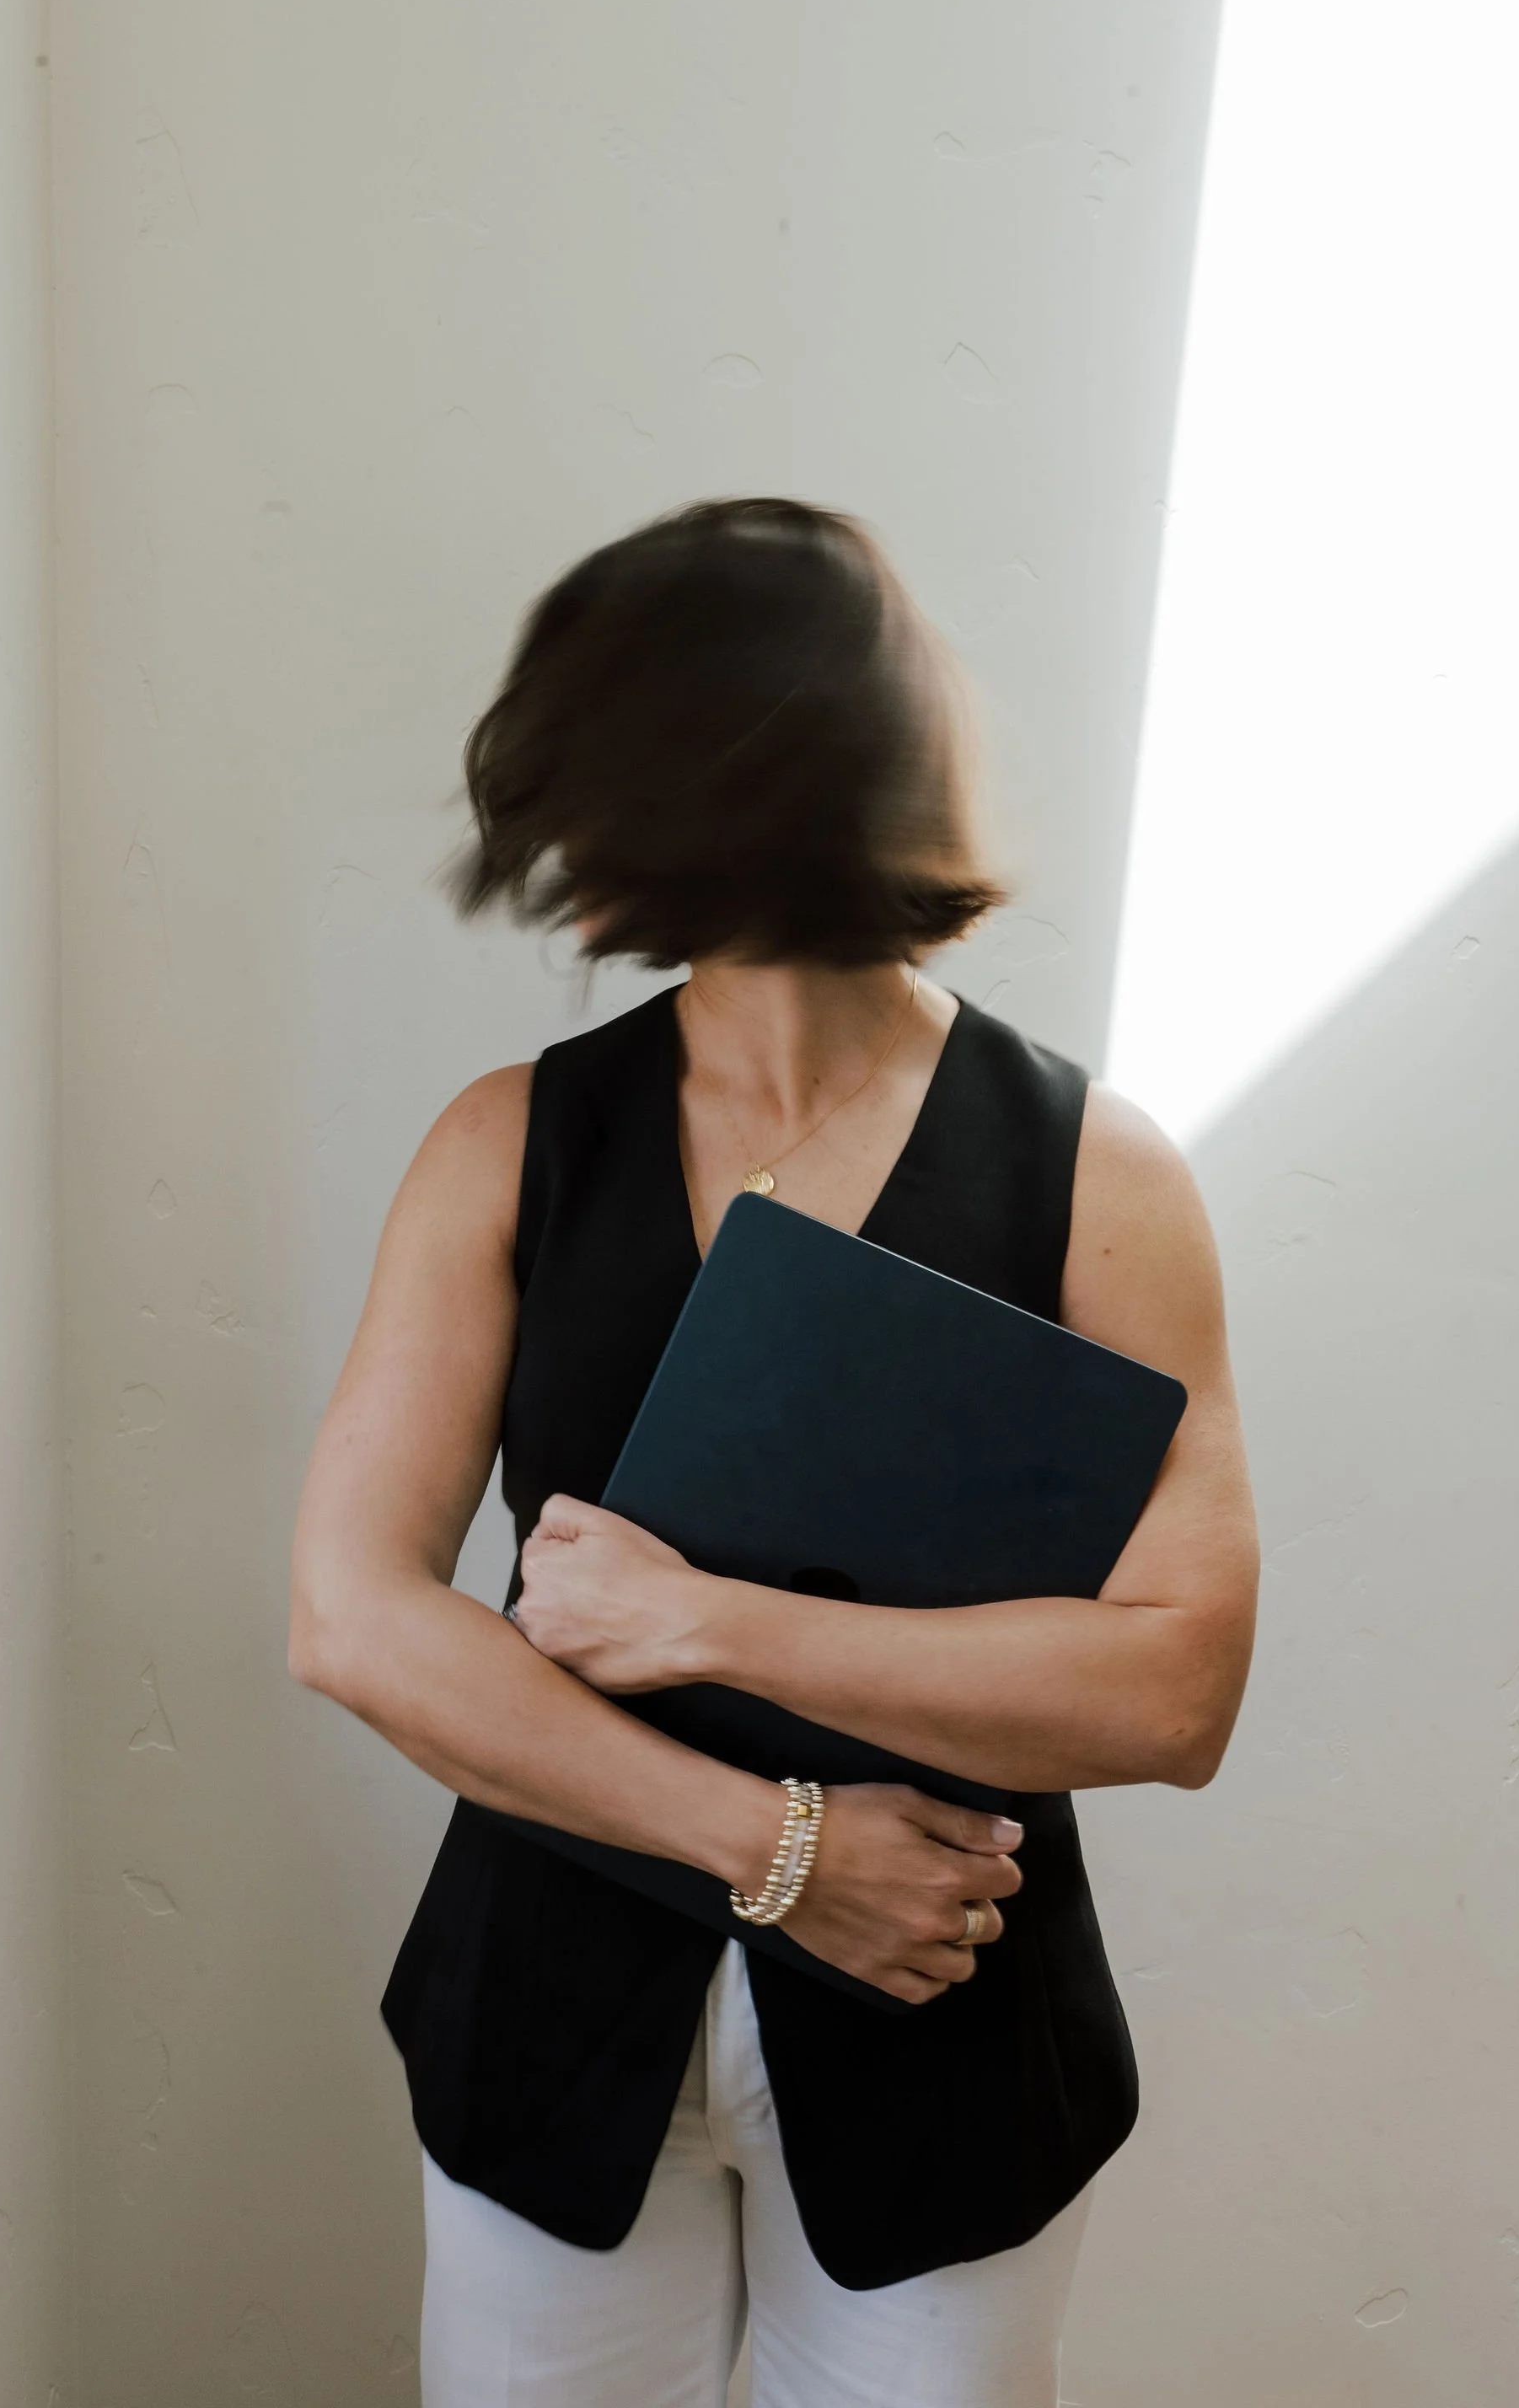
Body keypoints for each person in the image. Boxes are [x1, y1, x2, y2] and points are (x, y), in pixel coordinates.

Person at [289, 498, 1259, 2408]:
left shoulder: (1097, 1175)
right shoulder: (508, 1145)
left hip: (952, 2037)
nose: (555, 853)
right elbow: (352, 1620)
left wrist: (705, 1624)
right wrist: (779, 1847)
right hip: (549, 2022)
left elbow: (1176, 1686)